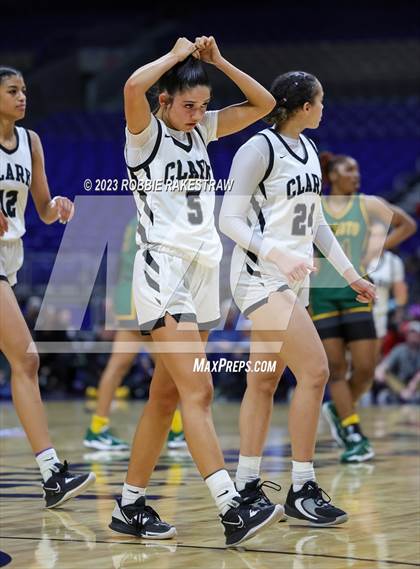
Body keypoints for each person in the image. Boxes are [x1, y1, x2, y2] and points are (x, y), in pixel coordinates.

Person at [108, 36, 283, 546]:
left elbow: (264, 105)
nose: (198, 113)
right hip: (164, 268)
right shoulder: (144, 136)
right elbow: (132, 85)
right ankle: (232, 507)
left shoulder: (202, 131)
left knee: (165, 397)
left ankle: (129, 507)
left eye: (203, 106)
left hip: (204, 273)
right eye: (188, 105)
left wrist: (218, 62)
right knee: (199, 390)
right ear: (164, 102)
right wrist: (177, 54)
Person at [219, 70, 373, 525]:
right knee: (317, 370)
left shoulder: (307, 150)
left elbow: (316, 223)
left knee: (263, 382)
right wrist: (277, 254)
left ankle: (247, 484)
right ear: (305, 106)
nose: (325, 108)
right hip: (259, 279)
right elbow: (230, 219)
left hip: (290, 280)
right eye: (321, 101)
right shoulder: (257, 149)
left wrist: (349, 275)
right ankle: (302, 487)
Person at [0, 66, 95, 507]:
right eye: (12, 91)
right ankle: (51, 471)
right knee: (27, 358)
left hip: (9, 258)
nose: (22, 97)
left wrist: (57, 205)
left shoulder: (31, 142)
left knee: (25, 361)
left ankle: (51, 471)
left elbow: (40, 206)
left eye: (24, 91)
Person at [312, 152, 416, 463]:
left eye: (358, 169)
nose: (355, 174)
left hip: (357, 292)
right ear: (332, 175)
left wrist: (375, 247)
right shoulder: (315, 204)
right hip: (321, 294)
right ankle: (352, 429)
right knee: (337, 370)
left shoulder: (367, 203)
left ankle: (337, 409)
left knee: (367, 369)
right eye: (348, 169)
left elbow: (407, 224)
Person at [83, 217, 186, 451]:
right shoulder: (158, 216)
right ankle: (176, 429)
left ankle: (98, 428)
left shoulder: (134, 219)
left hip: (128, 293)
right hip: (141, 295)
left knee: (122, 365)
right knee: (168, 367)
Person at [364, 221, 408, 354]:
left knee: (371, 362)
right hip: (356, 313)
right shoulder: (359, 257)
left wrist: (398, 316)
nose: (376, 239)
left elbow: (400, 294)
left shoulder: (394, 262)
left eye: (380, 235)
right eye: (373, 235)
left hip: (379, 316)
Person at [375, 320, 420, 403]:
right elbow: (384, 366)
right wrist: (380, 371)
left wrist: (412, 387)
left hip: (416, 390)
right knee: (383, 376)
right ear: (407, 335)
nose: (413, 335)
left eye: (416, 333)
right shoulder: (399, 349)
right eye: (411, 333)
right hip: (399, 388)